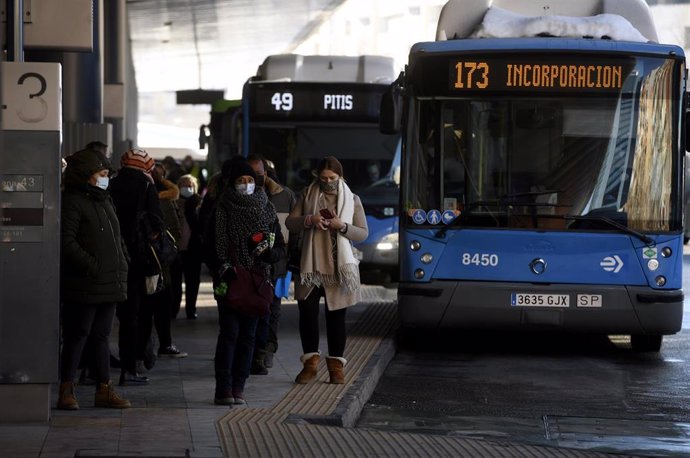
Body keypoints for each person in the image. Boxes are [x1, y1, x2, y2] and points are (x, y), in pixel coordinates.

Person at [58, 147, 131, 409]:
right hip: (85, 281)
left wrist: (122, 260)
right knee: (78, 334)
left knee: (101, 336)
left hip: (109, 280)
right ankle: (66, 389)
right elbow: (66, 242)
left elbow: (117, 237)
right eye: (101, 173)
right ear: (87, 175)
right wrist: (93, 266)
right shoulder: (73, 202)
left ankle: (104, 389)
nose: (105, 178)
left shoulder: (104, 199)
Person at [285, 156, 368, 385]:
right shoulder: (307, 194)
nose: (328, 182)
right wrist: (310, 219)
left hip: (338, 268)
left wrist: (342, 226)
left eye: (332, 178)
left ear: (340, 177)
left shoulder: (352, 198)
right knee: (308, 315)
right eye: (323, 178)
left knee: (336, 319)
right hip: (311, 266)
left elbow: (363, 233)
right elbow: (290, 223)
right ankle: (310, 365)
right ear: (316, 176)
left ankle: (336, 369)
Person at [208, 160, 285, 405]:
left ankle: (239, 387)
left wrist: (271, 256)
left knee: (249, 336)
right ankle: (223, 388)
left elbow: (280, 245)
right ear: (232, 183)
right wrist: (223, 267)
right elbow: (210, 245)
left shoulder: (267, 208)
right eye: (241, 181)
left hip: (258, 280)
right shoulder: (221, 208)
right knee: (229, 333)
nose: (247, 185)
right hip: (228, 279)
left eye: (250, 181)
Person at [109, 148, 164, 386]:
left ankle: (91, 368)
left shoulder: (111, 183)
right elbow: (157, 220)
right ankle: (130, 367)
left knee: (114, 313)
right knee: (138, 312)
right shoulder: (146, 185)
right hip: (140, 258)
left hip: (113, 254)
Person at [246, 155, 295, 374]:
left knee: (272, 309)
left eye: (258, 173)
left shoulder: (284, 196)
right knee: (249, 310)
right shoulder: (238, 195)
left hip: (277, 264)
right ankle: (249, 352)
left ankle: (265, 352)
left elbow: (293, 232)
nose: (255, 179)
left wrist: (290, 259)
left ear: (266, 173)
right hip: (247, 267)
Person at [138, 163, 188, 361]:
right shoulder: (165, 200)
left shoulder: (135, 198)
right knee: (160, 304)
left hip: (145, 261)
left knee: (144, 307)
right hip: (161, 262)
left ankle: (145, 348)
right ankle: (161, 344)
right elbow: (173, 232)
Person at [176, 174, 203, 320]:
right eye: (185, 185)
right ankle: (173, 308)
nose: (188, 188)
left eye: (191, 185)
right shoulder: (173, 204)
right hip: (176, 249)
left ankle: (191, 309)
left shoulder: (198, 205)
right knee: (175, 283)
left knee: (193, 282)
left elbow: (199, 227)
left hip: (193, 250)